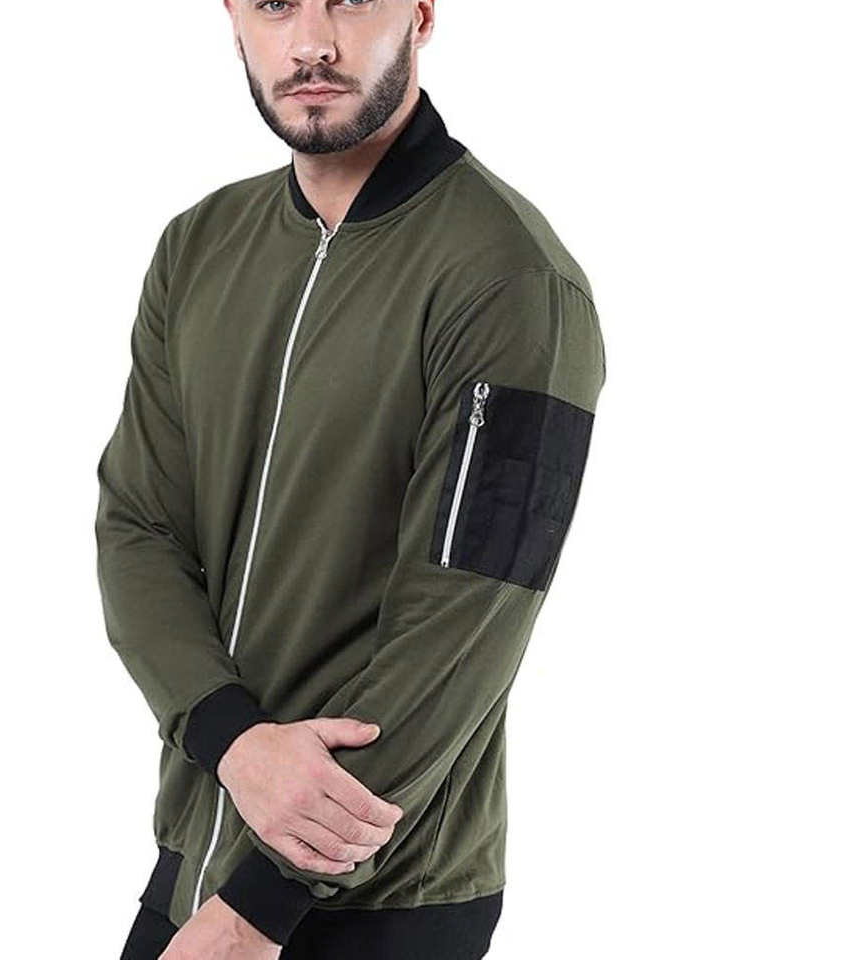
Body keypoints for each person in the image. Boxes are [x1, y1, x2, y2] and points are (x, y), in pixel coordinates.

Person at [96, 1, 607, 958]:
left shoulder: (512, 281)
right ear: (234, 19)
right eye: (275, 4)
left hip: (382, 896)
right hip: (195, 849)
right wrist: (234, 743)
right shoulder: (198, 247)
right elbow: (138, 530)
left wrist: (258, 908)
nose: (312, 42)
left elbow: (464, 627)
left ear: (421, 14)